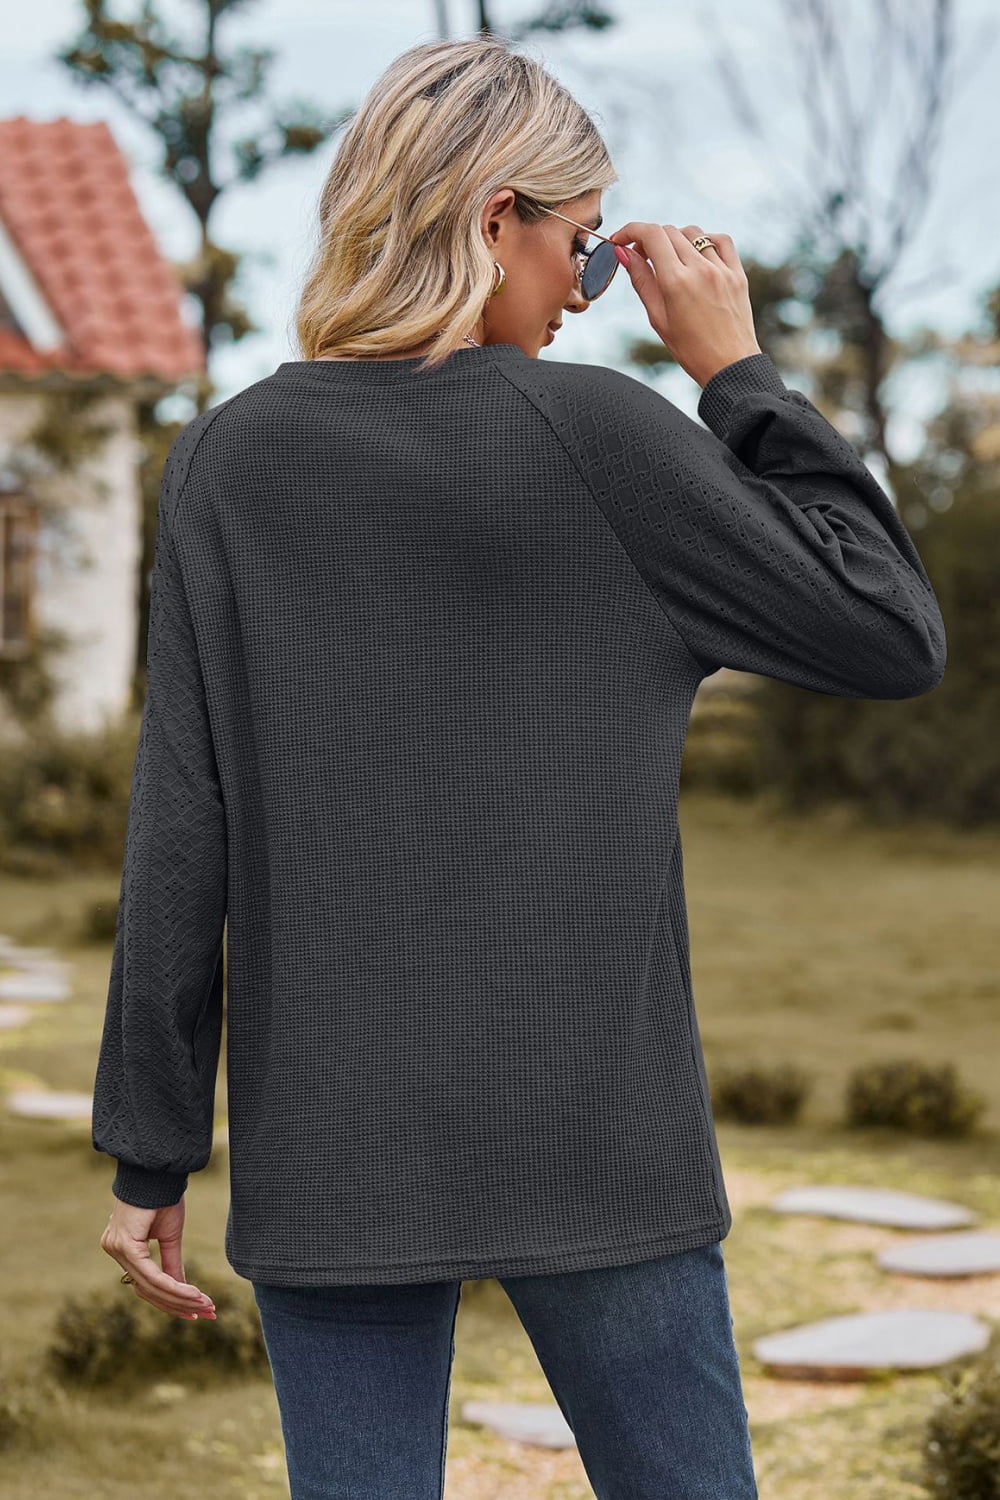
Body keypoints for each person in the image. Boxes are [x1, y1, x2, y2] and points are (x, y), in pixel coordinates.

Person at [91, 34, 946, 1500]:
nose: (588, 289)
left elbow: (184, 823)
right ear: (497, 220)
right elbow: (889, 628)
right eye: (584, 244)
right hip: (598, 1129)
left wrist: (149, 1155)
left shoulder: (232, 461)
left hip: (334, 1144)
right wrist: (736, 373)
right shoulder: (605, 436)